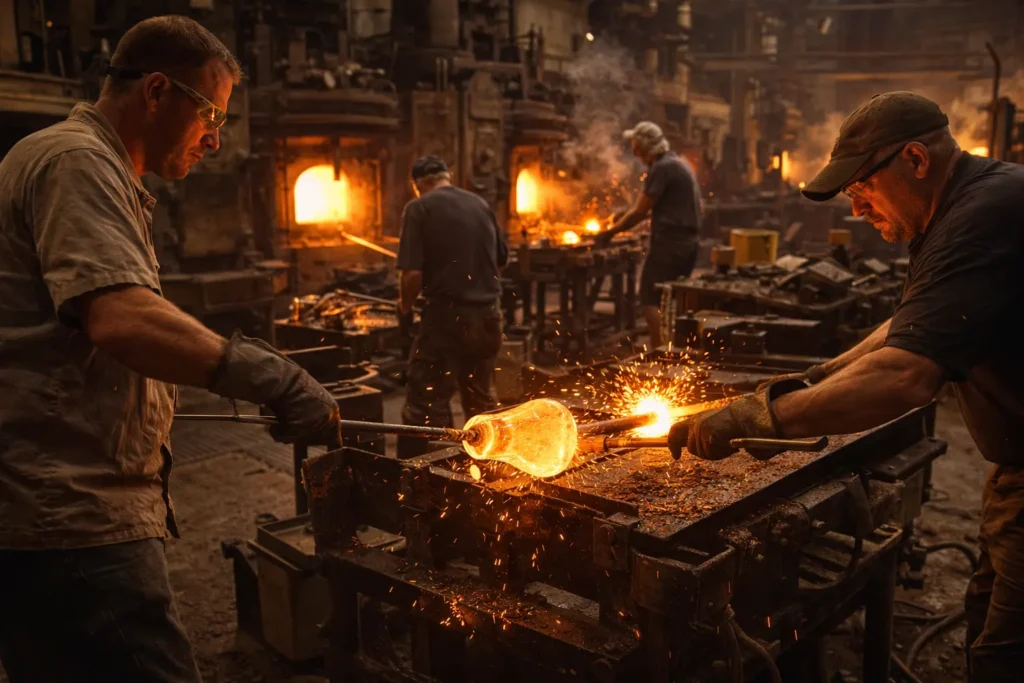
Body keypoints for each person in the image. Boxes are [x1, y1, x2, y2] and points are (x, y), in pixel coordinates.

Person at [0, 16, 341, 682]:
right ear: (156, 92)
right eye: (211, 113)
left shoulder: (89, 165)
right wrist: (272, 377)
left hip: (57, 504)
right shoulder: (77, 160)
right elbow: (121, 317)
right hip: (70, 515)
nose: (216, 138)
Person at [667, 91, 1024, 683]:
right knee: (986, 620)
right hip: (1013, 467)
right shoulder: (974, 199)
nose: (857, 211)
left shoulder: (982, 216)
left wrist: (759, 420)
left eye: (863, 191)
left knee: (1005, 660)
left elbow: (908, 375)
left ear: (915, 159)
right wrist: (819, 377)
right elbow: (908, 325)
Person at [396, 156, 508, 459]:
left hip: (446, 319)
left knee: (427, 403)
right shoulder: (480, 204)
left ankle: (426, 480)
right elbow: (499, 262)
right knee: (482, 400)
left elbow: (412, 275)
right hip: (488, 317)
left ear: (417, 184)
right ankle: (495, 470)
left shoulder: (418, 208)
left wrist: (404, 310)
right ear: (448, 175)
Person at [597, 121, 702, 348]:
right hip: (688, 245)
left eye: (636, 147)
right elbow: (651, 207)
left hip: (670, 246)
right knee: (668, 301)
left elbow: (641, 210)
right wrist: (624, 216)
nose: (635, 153)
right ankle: (671, 350)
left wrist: (609, 233)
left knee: (649, 299)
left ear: (645, 147)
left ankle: (659, 356)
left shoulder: (661, 168)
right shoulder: (678, 163)